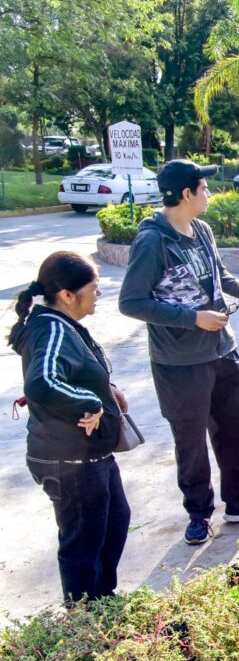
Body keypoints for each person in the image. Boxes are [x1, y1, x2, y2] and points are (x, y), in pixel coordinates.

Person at [119, 159, 239, 546]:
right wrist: (193, 319)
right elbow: (131, 302)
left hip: (222, 351)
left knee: (236, 431)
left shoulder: (202, 230)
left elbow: (219, 273)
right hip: (179, 364)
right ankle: (198, 514)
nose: (209, 193)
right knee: (191, 441)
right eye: (204, 188)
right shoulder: (152, 241)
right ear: (185, 194)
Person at [11, 253, 130, 602]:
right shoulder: (50, 328)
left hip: (92, 456)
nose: (98, 295)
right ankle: (84, 618)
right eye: (93, 289)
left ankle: (102, 601)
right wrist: (89, 403)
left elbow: (71, 371)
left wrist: (106, 391)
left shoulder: (60, 325)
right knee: (83, 544)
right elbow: (43, 382)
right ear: (66, 295)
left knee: (114, 525)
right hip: (69, 462)